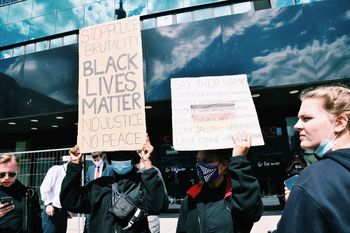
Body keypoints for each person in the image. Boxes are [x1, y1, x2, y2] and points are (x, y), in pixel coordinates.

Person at [275, 84, 350, 232]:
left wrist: (298, 206)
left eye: (307, 118)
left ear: (340, 123)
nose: (297, 126)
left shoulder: (316, 177)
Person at [60, 137, 169, 233]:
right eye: (116, 157)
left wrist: (147, 162)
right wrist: (74, 165)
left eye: (124, 157)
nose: (120, 161)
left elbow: (156, 206)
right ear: (110, 160)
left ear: (133, 159)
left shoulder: (142, 183)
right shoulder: (99, 186)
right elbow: (70, 201)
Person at [176, 134, 264, 233]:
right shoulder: (191, 198)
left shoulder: (236, 196)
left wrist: (239, 159)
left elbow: (252, 212)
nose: (200, 166)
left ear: (224, 165)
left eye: (206, 161)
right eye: (198, 161)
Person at [0, 153, 42, 233]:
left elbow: (37, 223)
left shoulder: (29, 193)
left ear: (18, 169)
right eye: (1, 174)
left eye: (11, 174)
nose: (6, 178)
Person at [84, 151, 113, 233]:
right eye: (94, 159)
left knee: (103, 222)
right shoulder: (90, 169)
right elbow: (87, 183)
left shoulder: (109, 168)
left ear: (102, 157)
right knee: (89, 222)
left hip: (105, 200)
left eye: (97, 159)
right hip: (92, 200)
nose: (96, 161)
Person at [40, 162, 72, 233]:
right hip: (52, 210)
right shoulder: (56, 169)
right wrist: (48, 204)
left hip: (63, 211)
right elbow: (44, 188)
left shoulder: (70, 175)